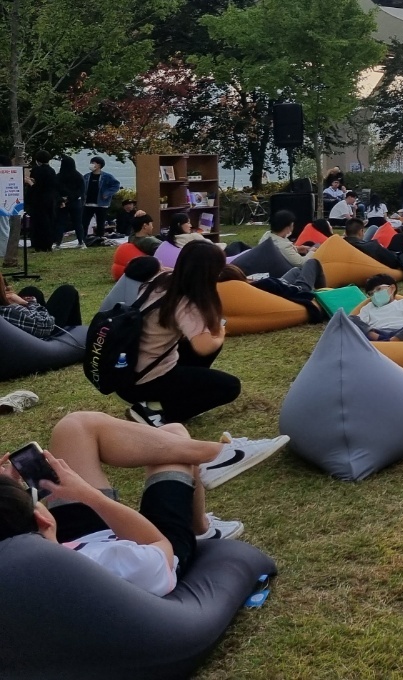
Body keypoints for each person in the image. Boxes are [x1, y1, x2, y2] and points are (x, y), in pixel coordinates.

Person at [0, 413, 289, 594]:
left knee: (75, 427)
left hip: (65, 543)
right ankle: (217, 457)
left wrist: (7, 489)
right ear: (44, 520)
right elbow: (158, 546)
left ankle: (214, 465)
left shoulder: (17, 562)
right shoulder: (112, 566)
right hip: (149, 546)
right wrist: (89, 495)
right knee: (173, 438)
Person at [119, 241, 241, 427]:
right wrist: (221, 334)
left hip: (126, 372)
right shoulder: (185, 303)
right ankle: (158, 413)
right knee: (230, 386)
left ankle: (164, 398)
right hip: (145, 381)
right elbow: (204, 347)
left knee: (203, 346)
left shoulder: (160, 280)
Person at [348, 274, 403, 342]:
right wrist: (371, 333)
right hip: (377, 333)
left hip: (402, 332)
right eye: (371, 293)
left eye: (378, 289)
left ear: (392, 288)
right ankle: (385, 340)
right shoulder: (368, 307)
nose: (375, 295)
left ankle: (393, 340)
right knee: (351, 319)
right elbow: (359, 323)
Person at [0, 274, 83, 339]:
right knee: (67, 291)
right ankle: (77, 338)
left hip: (21, 325)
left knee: (30, 291)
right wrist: (27, 303)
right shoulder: (8, 311)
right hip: (38, 334)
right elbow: (45, 324)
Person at [82, 157, 121, 243]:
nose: (91, 164)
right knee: (84, 222)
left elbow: (116, 185)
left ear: (99, 165)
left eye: (93, 163)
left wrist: (107, 193)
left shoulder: (107, 176)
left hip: (101, 204)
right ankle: (83, 238)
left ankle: (100, 238)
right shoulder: (86, 176)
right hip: (88, 203)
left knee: (101, 222)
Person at [25, 154, 58, 253]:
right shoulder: (52, 171)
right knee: (48, 222)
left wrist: (29, 183)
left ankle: (38, 245)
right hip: (50, 200)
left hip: (38, 200)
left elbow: (36, 187)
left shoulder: (36, 171)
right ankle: (48, 245)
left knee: (38, 223)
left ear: (38, 160)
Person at [55, 154, 85, 248]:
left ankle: (58, 243)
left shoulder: (59, 176)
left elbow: (55, 189)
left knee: (60, 223)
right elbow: (81, 190)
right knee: (78, 223)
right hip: (75, 202)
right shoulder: (78, 176)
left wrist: (62, 199)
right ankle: (81, 242)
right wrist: (71, 197)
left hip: (62, 203)